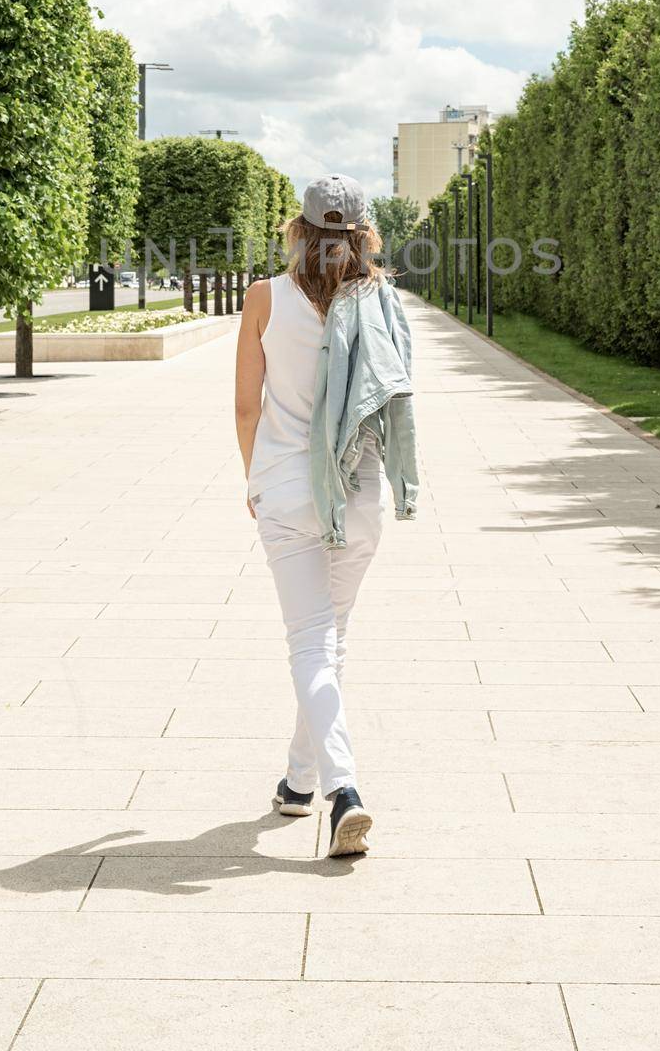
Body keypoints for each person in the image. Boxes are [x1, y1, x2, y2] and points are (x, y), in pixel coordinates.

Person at [234, 173, 418, 858]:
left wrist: (253, 476)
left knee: (312, 643)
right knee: (329, 641)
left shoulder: (263, 298)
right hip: (358, 491)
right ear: (364, 234)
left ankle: (344, 788)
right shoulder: (379, 299)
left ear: (298, 230)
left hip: (285, 488)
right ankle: (299, 780)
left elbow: (247, 406)